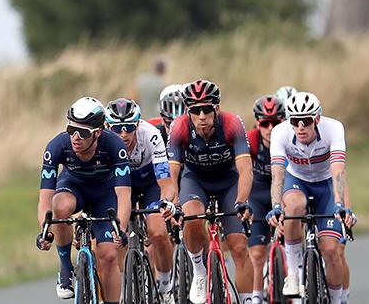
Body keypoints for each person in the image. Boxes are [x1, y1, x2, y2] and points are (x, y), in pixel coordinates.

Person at [168, 79, 257, 304]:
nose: (201, 116)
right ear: (188, 111)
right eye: (195, 111)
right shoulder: (179, 127)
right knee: (192, 218)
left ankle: (247, 300)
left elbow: (246, 168)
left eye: (206, 109)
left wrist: (242, 201)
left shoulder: (232, 123)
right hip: (195, 181)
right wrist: (174, 204)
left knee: (238, 247)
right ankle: (199, 270)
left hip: (228, 182)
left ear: (216, 108)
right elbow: (172, 173)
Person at [36, 97, 131, 304]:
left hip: (105, 195)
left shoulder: (114, 144)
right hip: (73, 187)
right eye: (72, 130)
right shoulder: (57, 146)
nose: (76, 137)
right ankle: (65, 268)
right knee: (60, 206)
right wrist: (45, 231)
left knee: (108, 256)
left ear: (97, 133)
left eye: (83, 132)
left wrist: (121, 228)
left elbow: (124, 195)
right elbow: (45, 198)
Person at [265, 91, 356, 304]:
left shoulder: (333, 128)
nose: (300, 127)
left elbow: (338, 169)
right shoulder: (280, 133)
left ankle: (336, 299)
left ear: (317, 119)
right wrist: (277, 206)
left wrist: (341, 204)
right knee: (294, 206)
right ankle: (295, 275)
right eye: (295, 122)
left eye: (305, 121)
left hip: (325, 184)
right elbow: (278, 173)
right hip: (297, 181)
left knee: (332, 251)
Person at [104, 98, 177, 301]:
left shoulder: (151, 135)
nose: (124, 134)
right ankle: (118, 289)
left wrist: (166, 202)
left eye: (128, 127)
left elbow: (166, 182)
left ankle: (165, 284)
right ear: (108, 127)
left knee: (158, 232)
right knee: (114, 236)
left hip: (149, 184)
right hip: (120, 185)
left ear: (137, 123)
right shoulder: (103, 142)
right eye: (118, 129)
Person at [246, 94, 287, 304]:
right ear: (257, 124)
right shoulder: (250, 140)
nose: (270, 128)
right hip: (257, 196)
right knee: (257, 254)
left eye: (275, 123)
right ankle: (256, 297)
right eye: (265, 123)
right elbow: (240, 173)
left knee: (292, 238)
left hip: (282, 193)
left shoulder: (290, 138)